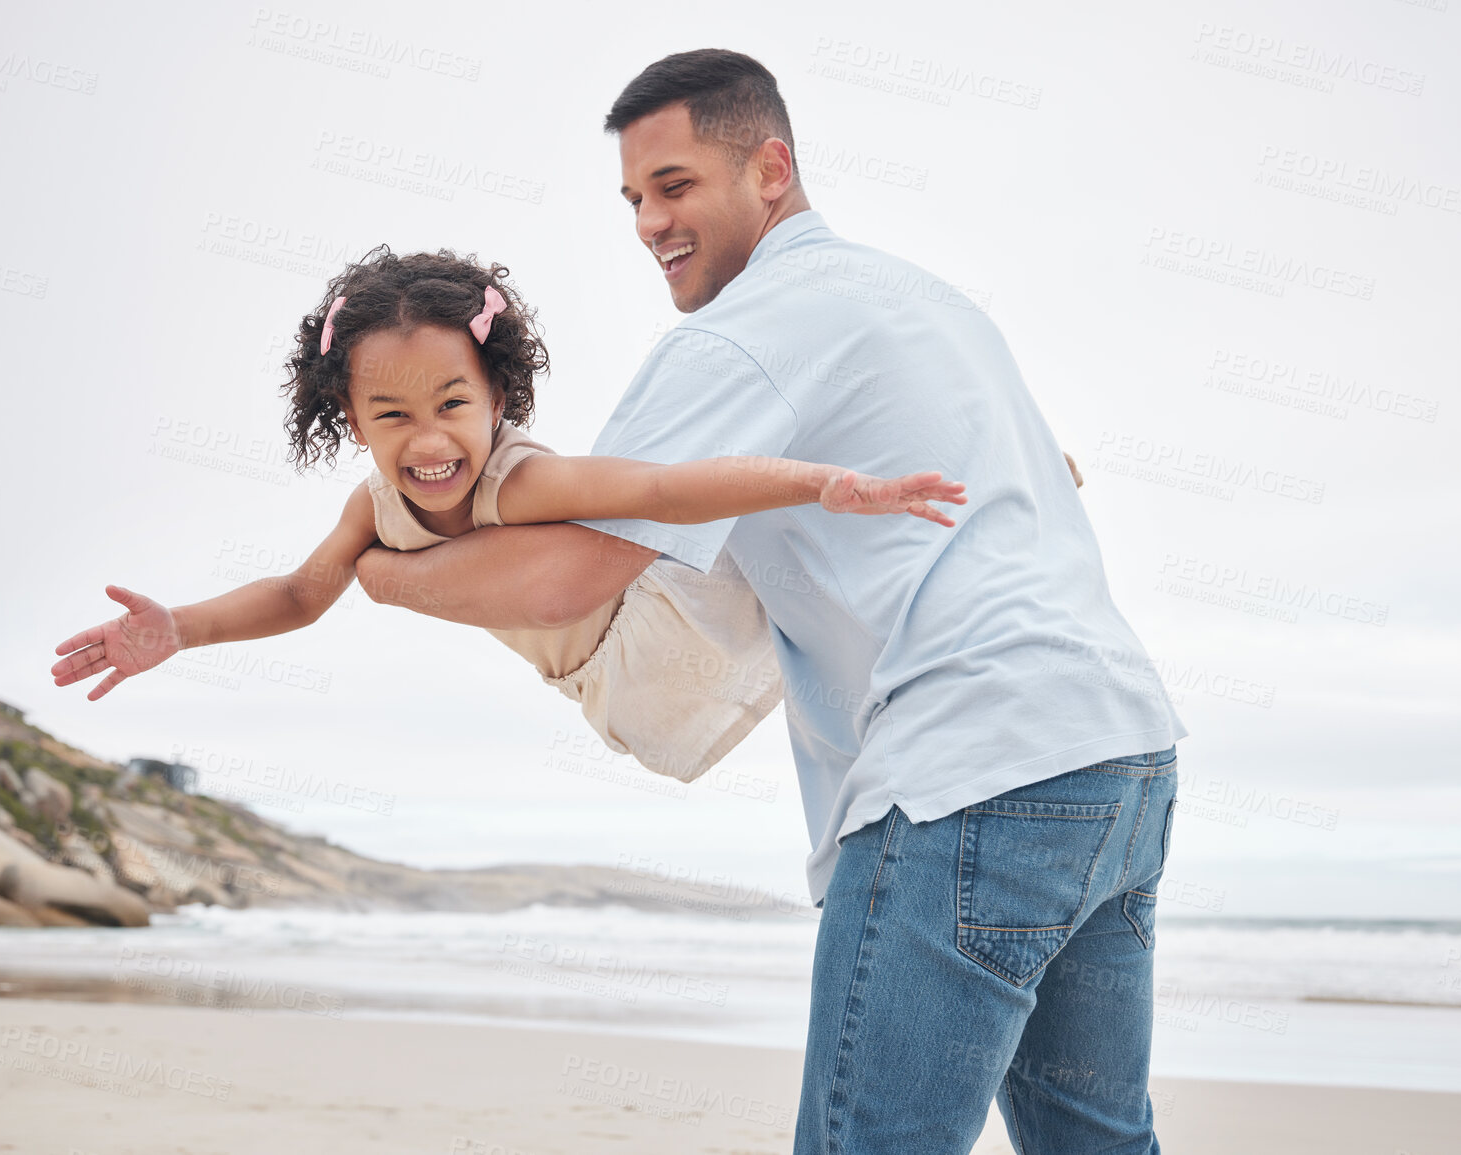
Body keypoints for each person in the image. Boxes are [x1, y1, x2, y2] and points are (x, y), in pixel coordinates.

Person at [351, 51, 1188, 1154]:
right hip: (1122, 761)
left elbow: (571, 572)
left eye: (678, 185)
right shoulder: (927, 303)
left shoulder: (742, 331)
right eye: (635, 198)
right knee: (1099, 1143)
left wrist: (383, 574)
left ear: (772, 170)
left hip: (966, 772)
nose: (650, 221)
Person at [50, 244, 967, 786]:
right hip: (617, 678)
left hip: (673, 614)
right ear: (349, 418)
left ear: (499, 398)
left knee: (800, 528)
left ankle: (936, 467)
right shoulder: (368, 507)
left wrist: (818, 484)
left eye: (452, 403)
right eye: (391, 416)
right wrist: (181, 629)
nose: (427, 441)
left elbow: (658, 489)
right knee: (813, 567)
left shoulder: (517, 482)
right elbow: (299, 595)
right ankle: (910, 481)